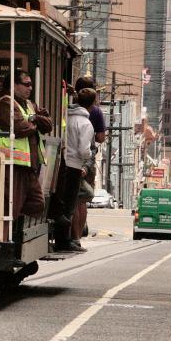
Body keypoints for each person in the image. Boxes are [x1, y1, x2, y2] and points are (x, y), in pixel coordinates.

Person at [0, 69, 52, 229]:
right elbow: (21, 128)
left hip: (27, 166)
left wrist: (34, 118)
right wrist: (35, 122)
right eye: (26, 84)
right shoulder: (5, 103)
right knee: (9, 209)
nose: (30, 88)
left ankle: (9, 227)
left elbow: (48, 124)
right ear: (14, 85)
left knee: (37, 203)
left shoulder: (29, 104)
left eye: (31, 84)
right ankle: (1, 239)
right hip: (8, 163)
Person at [58, 88, 96, 252]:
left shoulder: (67, 117)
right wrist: (87, 156)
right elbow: (83, 150)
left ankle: (62, 238)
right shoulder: (86, 124)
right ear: (93, 104)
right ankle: (66, 241)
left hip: (61, 163)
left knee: (61, 203)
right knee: (69, 206)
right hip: (74, 166)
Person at [71, 76, 106, 248]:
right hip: (85, 160)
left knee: (70, 198)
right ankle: (77, 237)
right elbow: (100, 138)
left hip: (67, 157)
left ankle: (70, 235)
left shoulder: (68, 108)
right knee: (81, 200)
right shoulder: (95, 113)